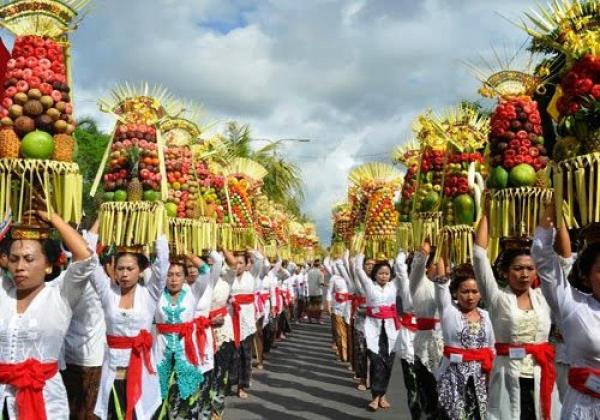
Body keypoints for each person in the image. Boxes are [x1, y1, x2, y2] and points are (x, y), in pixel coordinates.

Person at [0, 210, 96, 420]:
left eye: (29, 259)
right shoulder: (3, 292)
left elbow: (86, 257)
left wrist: (55, 219)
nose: (20, 267)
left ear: (48, 265)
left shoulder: (60, 294)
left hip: (46, 400)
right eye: (14, 260)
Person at [473, 203, 560, 420]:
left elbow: (561, 263)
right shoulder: (497, 298)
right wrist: (487, 210)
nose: (524, 274)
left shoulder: (544, 298)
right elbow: (478, 256)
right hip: (507, 375)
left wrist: (554, 214)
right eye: (518, 268)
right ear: (505, 271)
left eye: (530, 269)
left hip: (540, 376)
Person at [92, 236, 169, 420]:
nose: (124, 274)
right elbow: (89, 261)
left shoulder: (149, 294)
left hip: (142, 375)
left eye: (130, 268)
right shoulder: (107, 292)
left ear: (141, 270)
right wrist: (100, 223)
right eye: (120, 269)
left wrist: (156, 226)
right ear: (113, 270)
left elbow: (162, 264)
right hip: (113, 374)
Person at [532, 211, 600, 419]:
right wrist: (549, 217)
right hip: (584, 409)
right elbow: (544, 260)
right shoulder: (574, 306)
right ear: (587, 276)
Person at [153, 251, 221, 419]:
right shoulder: (156, 293)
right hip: (161, 351)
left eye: (178, 275)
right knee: (162, 393)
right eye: (169, 275)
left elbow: (205, 269)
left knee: (187, 393)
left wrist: (187, 254)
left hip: (186, 350)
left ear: (185, 278)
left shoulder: (193, 292)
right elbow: (154, 266)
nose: (173, 279)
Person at [429, 258, 495, 420]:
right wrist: (442, 248)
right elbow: (441, 283)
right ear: (455, 293)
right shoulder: (449, 310)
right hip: (453, 376)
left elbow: (492, 348)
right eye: (465, 292)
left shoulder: (487, 316)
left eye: (475, 291)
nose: (470, 297)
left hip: (482, 378)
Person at [56, 220, 106, 420]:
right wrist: (102, 216)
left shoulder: (60, 280)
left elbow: (87, 250)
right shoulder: (92, 277)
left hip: (74, 358)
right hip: (86, 358)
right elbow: (88, 250)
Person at [355, 254, 405, 411]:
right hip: (373, 329)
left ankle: (382, 394)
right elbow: (358, 269)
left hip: (391, 330)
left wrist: (401, 253)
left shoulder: (394, 285)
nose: (384, 276)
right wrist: (360, 251)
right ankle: (376, 397)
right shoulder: (369, 285)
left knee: (388, 363)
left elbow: (402, 272)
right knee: (376, 361)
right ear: (375, 274)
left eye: (387, 273)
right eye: (380, 273)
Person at [223, 250, 262, 399]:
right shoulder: (227, 276)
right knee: (230, 354)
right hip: (230, 321)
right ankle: (227, 384)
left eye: (241, 263)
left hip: (246, 322)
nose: (238, 265)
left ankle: (241, 385)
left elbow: (259, 259)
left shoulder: (252, 276)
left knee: (245, 355)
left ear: (247, 265)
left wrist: (250, 248)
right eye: (235, 262)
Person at [410, 242, 443, 419]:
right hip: (425, 344)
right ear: (429, 266)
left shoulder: (452, 287)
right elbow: (417, 267)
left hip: (447, 347)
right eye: (437, 263)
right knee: (427, 392)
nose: (441, 267)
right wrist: (425, 249)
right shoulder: (419, 284)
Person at [208, 258, 235, 419]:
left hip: (222, 331)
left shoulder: (226, 281)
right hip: (202, 331)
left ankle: (217, 406)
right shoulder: (196, 283)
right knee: (205, 372)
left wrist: (214, 241)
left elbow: (223, 262)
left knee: (220, 371)